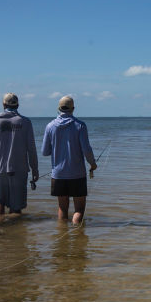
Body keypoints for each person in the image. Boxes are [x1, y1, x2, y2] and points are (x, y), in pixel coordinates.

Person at [42, 95, 97, 224]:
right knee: (79, 209)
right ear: (73, 109)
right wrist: (93, 164)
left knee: (62, 208)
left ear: (58, 108)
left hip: (58, 174)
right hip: (77, 174)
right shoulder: (80, 125)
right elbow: (86, 150)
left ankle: (62, 240)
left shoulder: (50, 126)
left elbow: (45, 152)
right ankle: (78, 238)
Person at [0, 93, 39, 217]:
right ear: (18, 105)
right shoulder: (25, 122)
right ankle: (15, 233)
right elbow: (31, 148)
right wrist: (34, 169)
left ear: (3, 105)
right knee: (16, 206)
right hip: (19, 169)